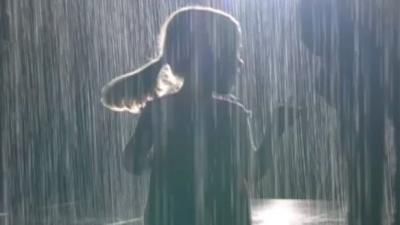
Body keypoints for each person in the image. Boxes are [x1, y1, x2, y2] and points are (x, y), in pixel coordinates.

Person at [101, 6, 255, 225]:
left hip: (169, 215)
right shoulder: (231, 113)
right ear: (208, 58)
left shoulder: (160, 110)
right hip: (225, 215)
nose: (240, 62)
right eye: (233, 53)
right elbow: (254, 170)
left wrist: (161, 167)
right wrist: (277, 129)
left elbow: (132, 162)